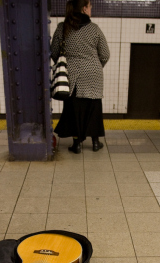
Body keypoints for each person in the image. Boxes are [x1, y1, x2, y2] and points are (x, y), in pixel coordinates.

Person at [51, 0, 110, 154]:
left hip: (71, 75)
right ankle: (95, 142)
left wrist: (65, 65)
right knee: (94, 108)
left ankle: (76, 144)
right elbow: (105, 54)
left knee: (74, 110)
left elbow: (54, 52)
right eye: (90, 6)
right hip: (93, 74)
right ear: (84, 9)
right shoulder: (94, 29)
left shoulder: (62, 27)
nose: (91, 9)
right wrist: (94, 67)